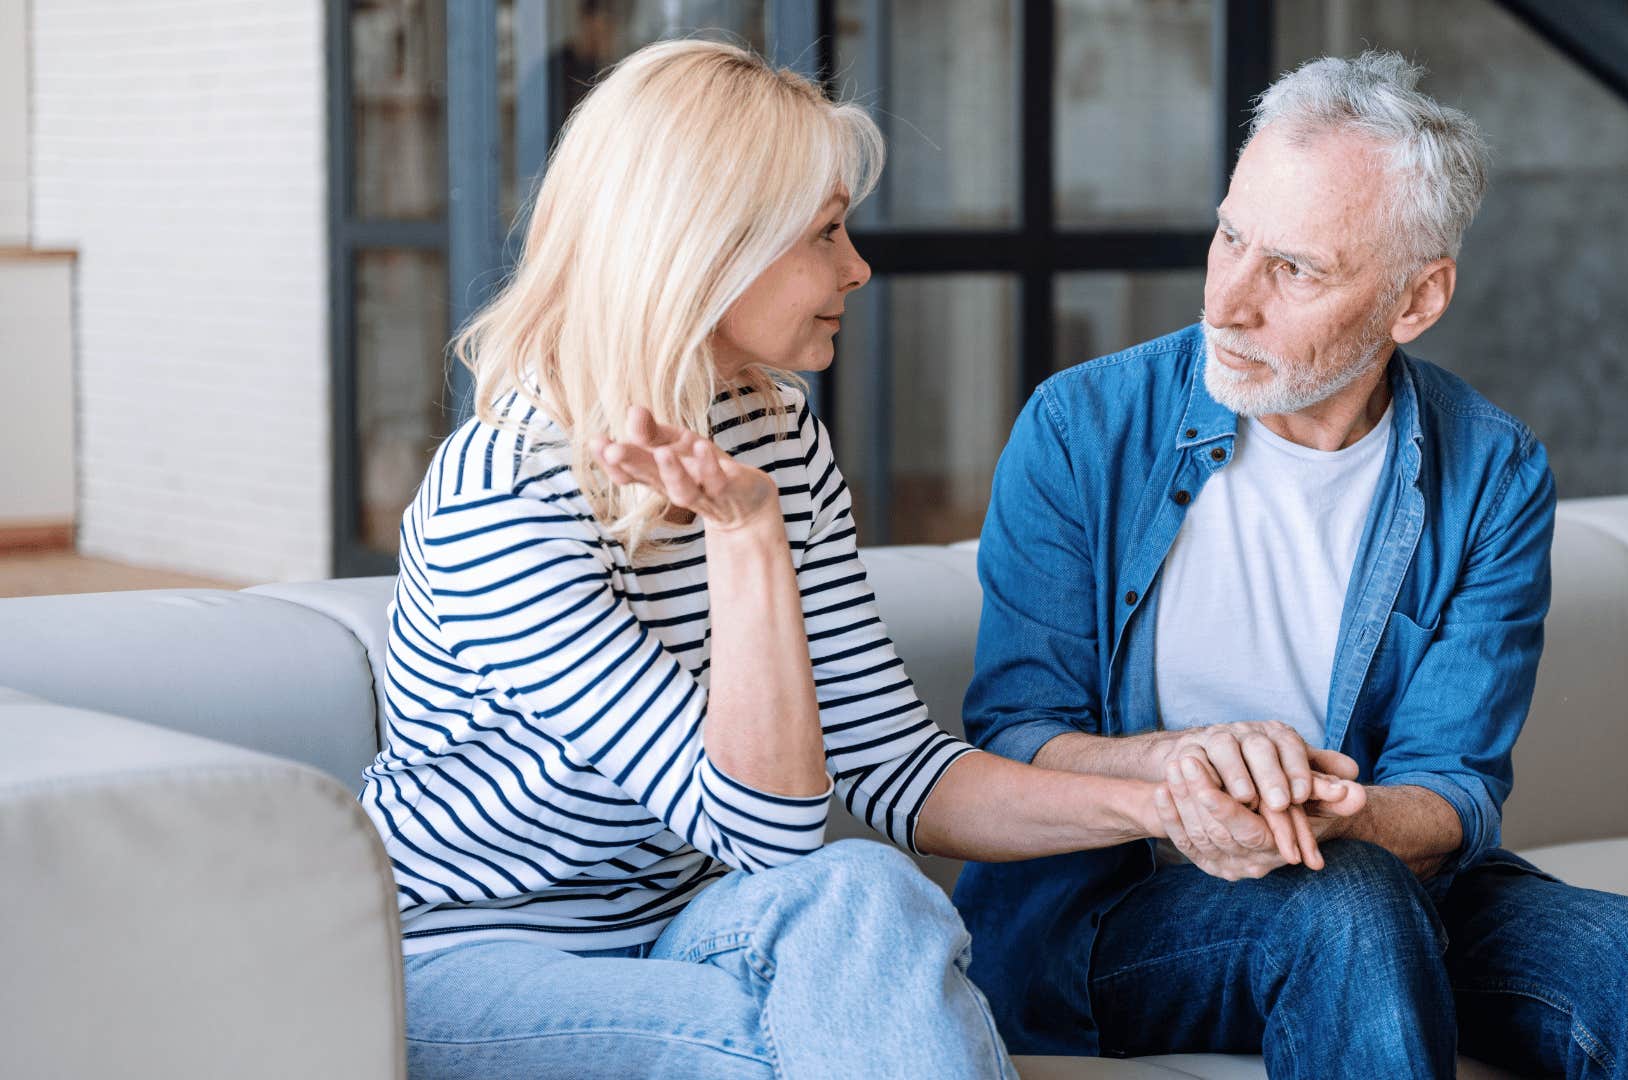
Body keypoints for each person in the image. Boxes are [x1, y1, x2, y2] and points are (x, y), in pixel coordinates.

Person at [365, 39, 1176, 1080]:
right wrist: (747, 538)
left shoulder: (777, 437)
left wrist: (1161, 804)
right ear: (705, 244)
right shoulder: (507, 494)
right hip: (463, 962)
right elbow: (763, 826)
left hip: (683, 926)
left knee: (871, 891)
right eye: (824, 233)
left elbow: (896, 768)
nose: (857, 268)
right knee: (799, 1040)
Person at [953, 52, 1628, 1079]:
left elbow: (1451, 790)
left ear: (1416, 301)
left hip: (1374, 883)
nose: (1229, 301)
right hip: (1106, 917)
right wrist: (1182, 772)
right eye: (1230, 235)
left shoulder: (1494, 472)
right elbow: (1017, 735)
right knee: (1347, 908)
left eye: (1294, 269)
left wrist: (1332, 814)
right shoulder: (1081, 427)